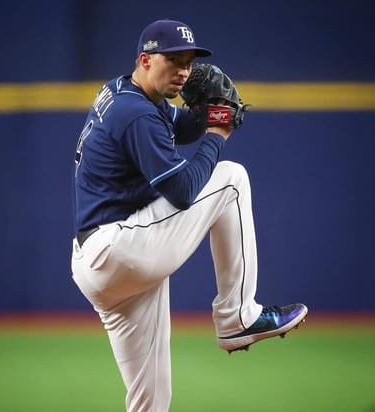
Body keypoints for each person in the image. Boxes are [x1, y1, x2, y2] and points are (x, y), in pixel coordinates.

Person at [71, 18, 307, 412]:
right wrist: (218, 133)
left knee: (152, 401)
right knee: (231, 179)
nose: (183, 71)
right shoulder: (137, 114)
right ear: (145, 59)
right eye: (173, 60)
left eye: (188, 62)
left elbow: (181, 128)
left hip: (101, 264)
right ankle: (237, 317)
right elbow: (182, 193)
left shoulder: (128, 94)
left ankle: (236, 318)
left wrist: (207, 113)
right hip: (117, 249)